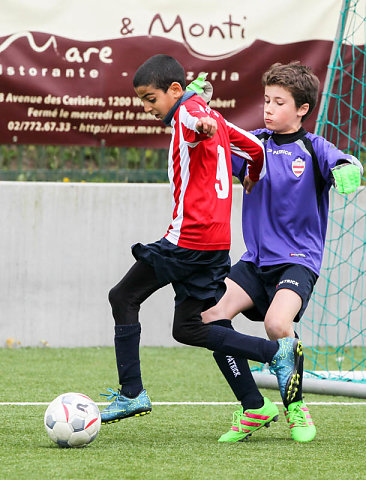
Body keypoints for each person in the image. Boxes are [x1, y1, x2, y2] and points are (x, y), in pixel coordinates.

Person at [100, 54, 302, 428]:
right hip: (215, 244)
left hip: (186, 241)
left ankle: (131, 394)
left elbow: (196, 120)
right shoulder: (213, 117)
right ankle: (259, 392)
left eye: (150, 98)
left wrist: (202, 122)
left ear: (174, 90)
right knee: (192, 327)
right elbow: (254, 149)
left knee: (122, 297)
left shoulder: (189, 115)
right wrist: (251, 175)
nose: (147, 108)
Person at [200, 61, 363, 443]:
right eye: (266, 100)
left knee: (277, 325)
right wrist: (200, 112)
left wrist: (348, 169)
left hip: (297, 261)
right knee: (208, 318)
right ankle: (253, 406)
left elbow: (344, 160)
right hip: (254, 262)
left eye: (279, 102)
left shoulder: (314, 147)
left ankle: (295, 406)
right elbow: (217, 142)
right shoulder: (254, 142)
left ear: (302, 108)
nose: (268, 109)